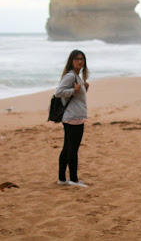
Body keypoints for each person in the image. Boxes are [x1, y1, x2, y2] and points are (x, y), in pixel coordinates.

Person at [54, 49, 90, 187]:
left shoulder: (76, 76)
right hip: (73, 117)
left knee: (67, 148)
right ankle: (74, 180)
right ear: (71, 61)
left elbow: (76, 98)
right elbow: (59, 92)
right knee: (72, 149)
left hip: (73, 116)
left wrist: (84, 89)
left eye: (82, 59)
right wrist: (73, 90)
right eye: (77, 59)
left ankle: (62, 179)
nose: (80, 61)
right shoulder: (70, 76)